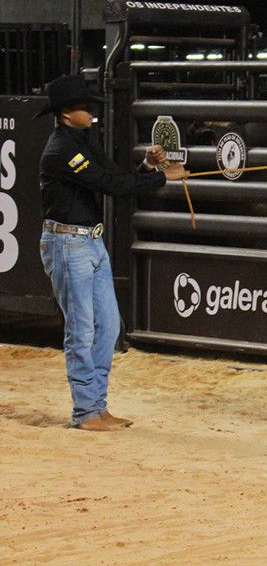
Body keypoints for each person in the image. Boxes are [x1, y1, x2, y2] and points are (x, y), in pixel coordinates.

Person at [37, 74, 188, 431]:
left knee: (106, 326)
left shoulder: (81, 143)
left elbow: (114, 176)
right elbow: (109, 184)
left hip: (87, 242)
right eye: (84, 108)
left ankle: (95, 406)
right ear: (65, 113)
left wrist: (147, 168)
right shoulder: (62, 151)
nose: (91, 113)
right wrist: (163, 177)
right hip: (69, 244)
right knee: (82, 328)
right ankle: (87, 411)